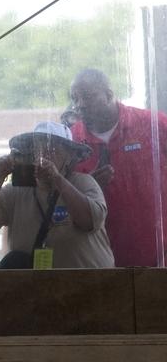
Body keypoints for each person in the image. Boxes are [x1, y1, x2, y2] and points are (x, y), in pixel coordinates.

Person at [0, 121, 113, 269]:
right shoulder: (15, 191)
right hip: (37, 288)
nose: (43, 154)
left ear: (70, 156)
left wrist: (57, 179)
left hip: (90, 286)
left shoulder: (84, 183)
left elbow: (90, 221)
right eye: (38, 148)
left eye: (52, 148)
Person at [68, 68, 167, 267]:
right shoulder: (70, 141)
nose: (80, 105)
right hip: (97, 266)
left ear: (109, 95)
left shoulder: (154, 126)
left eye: (87, 96)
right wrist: (90, 187)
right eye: (75, 98)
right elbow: (58, 206)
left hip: (158, 262)